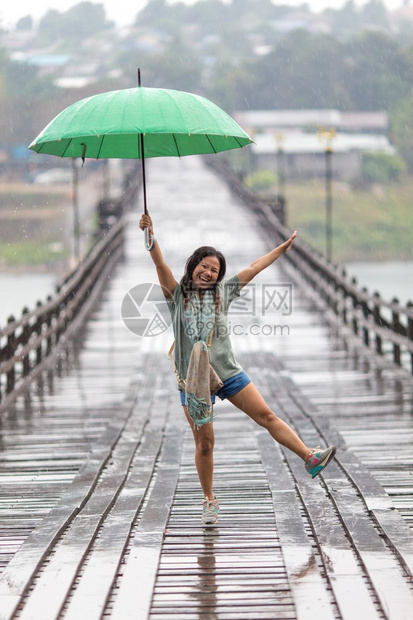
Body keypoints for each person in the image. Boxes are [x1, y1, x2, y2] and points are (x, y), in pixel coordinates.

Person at [139, 214, 336, 525]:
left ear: (219, 277)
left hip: (228, 373)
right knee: (204, 443)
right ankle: (209, 500)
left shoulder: (223, 293)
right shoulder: (177, 295)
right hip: (193, 382)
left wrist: (280, 251)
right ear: (193, 267)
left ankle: (309, 458)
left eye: (214, 269)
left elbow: (254, 268)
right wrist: (150, 236)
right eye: (203, 265)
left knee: (267, 416)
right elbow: (160, 265)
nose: (208, 271)